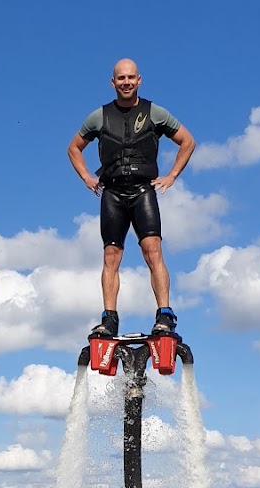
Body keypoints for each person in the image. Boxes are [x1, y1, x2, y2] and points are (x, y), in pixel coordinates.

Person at [67, 58, 196, 338]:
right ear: (113, 83)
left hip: (142, 191)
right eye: (120, 78)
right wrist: (88, 177)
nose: (126, 82)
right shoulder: (98, 117)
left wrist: (172, 175)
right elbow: (74, 148)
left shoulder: (156, 113)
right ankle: (109, 318)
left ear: (139, 80)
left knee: (153, 251)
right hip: (112, 192)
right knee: (111, 256)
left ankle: (164, 315)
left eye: (131, 78)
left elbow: (187, 141)